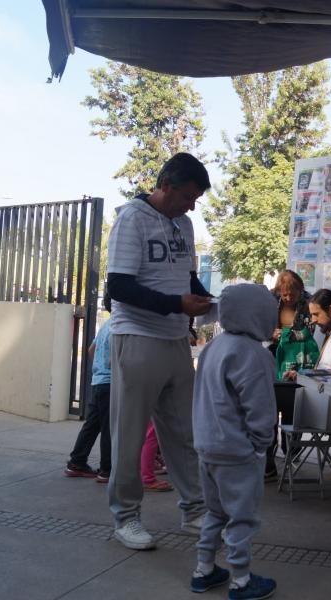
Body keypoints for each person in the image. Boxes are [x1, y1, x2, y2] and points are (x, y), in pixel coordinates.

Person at [105, 152, 213, 550]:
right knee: (129, 435)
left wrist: (207, 298)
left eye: (196, 199)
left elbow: (186, 275)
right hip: (136, 337)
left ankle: (195, 509)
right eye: (187, 195)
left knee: (184, 433)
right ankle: (126, 518)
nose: (191, 205)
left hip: (174, 341)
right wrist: (176, 305)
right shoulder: (131, 219)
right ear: (165, 184)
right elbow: (119, 287)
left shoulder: (182, 224)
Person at [189, 283, 278, 599]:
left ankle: (205, 569)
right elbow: (261, 406)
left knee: (214, 512)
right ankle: (241, 580)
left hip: (207, 447)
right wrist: (260, 443)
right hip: (238, 451)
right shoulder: (255, 354)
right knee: (242, 517)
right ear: (259, 315)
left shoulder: (215, 346)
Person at [265, 270, 318, 481]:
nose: (288, 298)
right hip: (272, 357)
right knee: (269, 411)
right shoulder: (271, 300)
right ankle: (269, 460)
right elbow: (261, 325)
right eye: (285, 295)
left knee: (291, 409)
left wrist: (284, 334)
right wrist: (271, 333)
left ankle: (291, 451)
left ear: (300, 290)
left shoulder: (308, 303)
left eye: (292, 294)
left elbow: (309, 333)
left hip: (297, 361)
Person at [64, 294, 113, 483]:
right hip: (110, 383)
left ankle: (77, 461)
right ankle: (107, 469)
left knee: (92, 425)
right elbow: (113, 358)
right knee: (109, 428)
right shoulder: (120, 325)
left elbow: (92, 350)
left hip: (98, 381)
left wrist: (99, 368)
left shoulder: (106, 326)